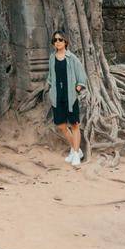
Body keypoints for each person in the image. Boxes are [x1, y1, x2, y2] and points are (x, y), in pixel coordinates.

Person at [46, 30, 87, 167]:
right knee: (61, 125)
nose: (57, 42)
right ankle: (77, 149)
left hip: (70, 96)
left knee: (74, 125)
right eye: (55, 40)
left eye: (60, 39)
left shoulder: (72, 58)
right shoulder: (52, 58)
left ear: (65, 42)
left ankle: (75, 154)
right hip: (58, 96)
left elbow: (82, 77)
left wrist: (77, 89)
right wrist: (50, 88)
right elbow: (50, 76)